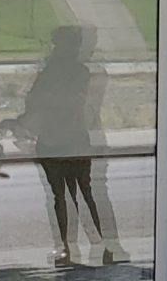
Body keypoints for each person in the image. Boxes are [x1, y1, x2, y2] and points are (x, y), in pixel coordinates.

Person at [12, 25, 129, 267]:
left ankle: (87, 246)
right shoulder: (71, 72)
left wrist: (29, 119)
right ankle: (80, 246)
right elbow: (44, 103)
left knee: (74, 195)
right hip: (66, 139)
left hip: (63, 140)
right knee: (75, 194)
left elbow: (45, 103)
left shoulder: (67, 73)